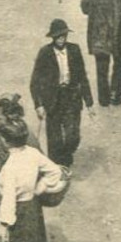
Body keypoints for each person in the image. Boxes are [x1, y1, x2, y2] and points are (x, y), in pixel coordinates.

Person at [30, 19, 94, 167]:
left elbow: (83, 77)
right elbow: (35, 82)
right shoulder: (45, 53)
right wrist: (38, 105)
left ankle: (65, 156)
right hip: (53, 100)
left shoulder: (74, 50)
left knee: (73, 137)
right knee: (54, 139)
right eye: (58, 36)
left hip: (72, 97)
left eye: (63, 35)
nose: (61, 39)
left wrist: (89, 103)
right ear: (52, 37)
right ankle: (58, 168)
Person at [0, 95, 39, 242]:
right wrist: (8, 165)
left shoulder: (27, 136)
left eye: (0, 118)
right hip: (0, 192)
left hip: (25, 197)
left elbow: (39, 166)